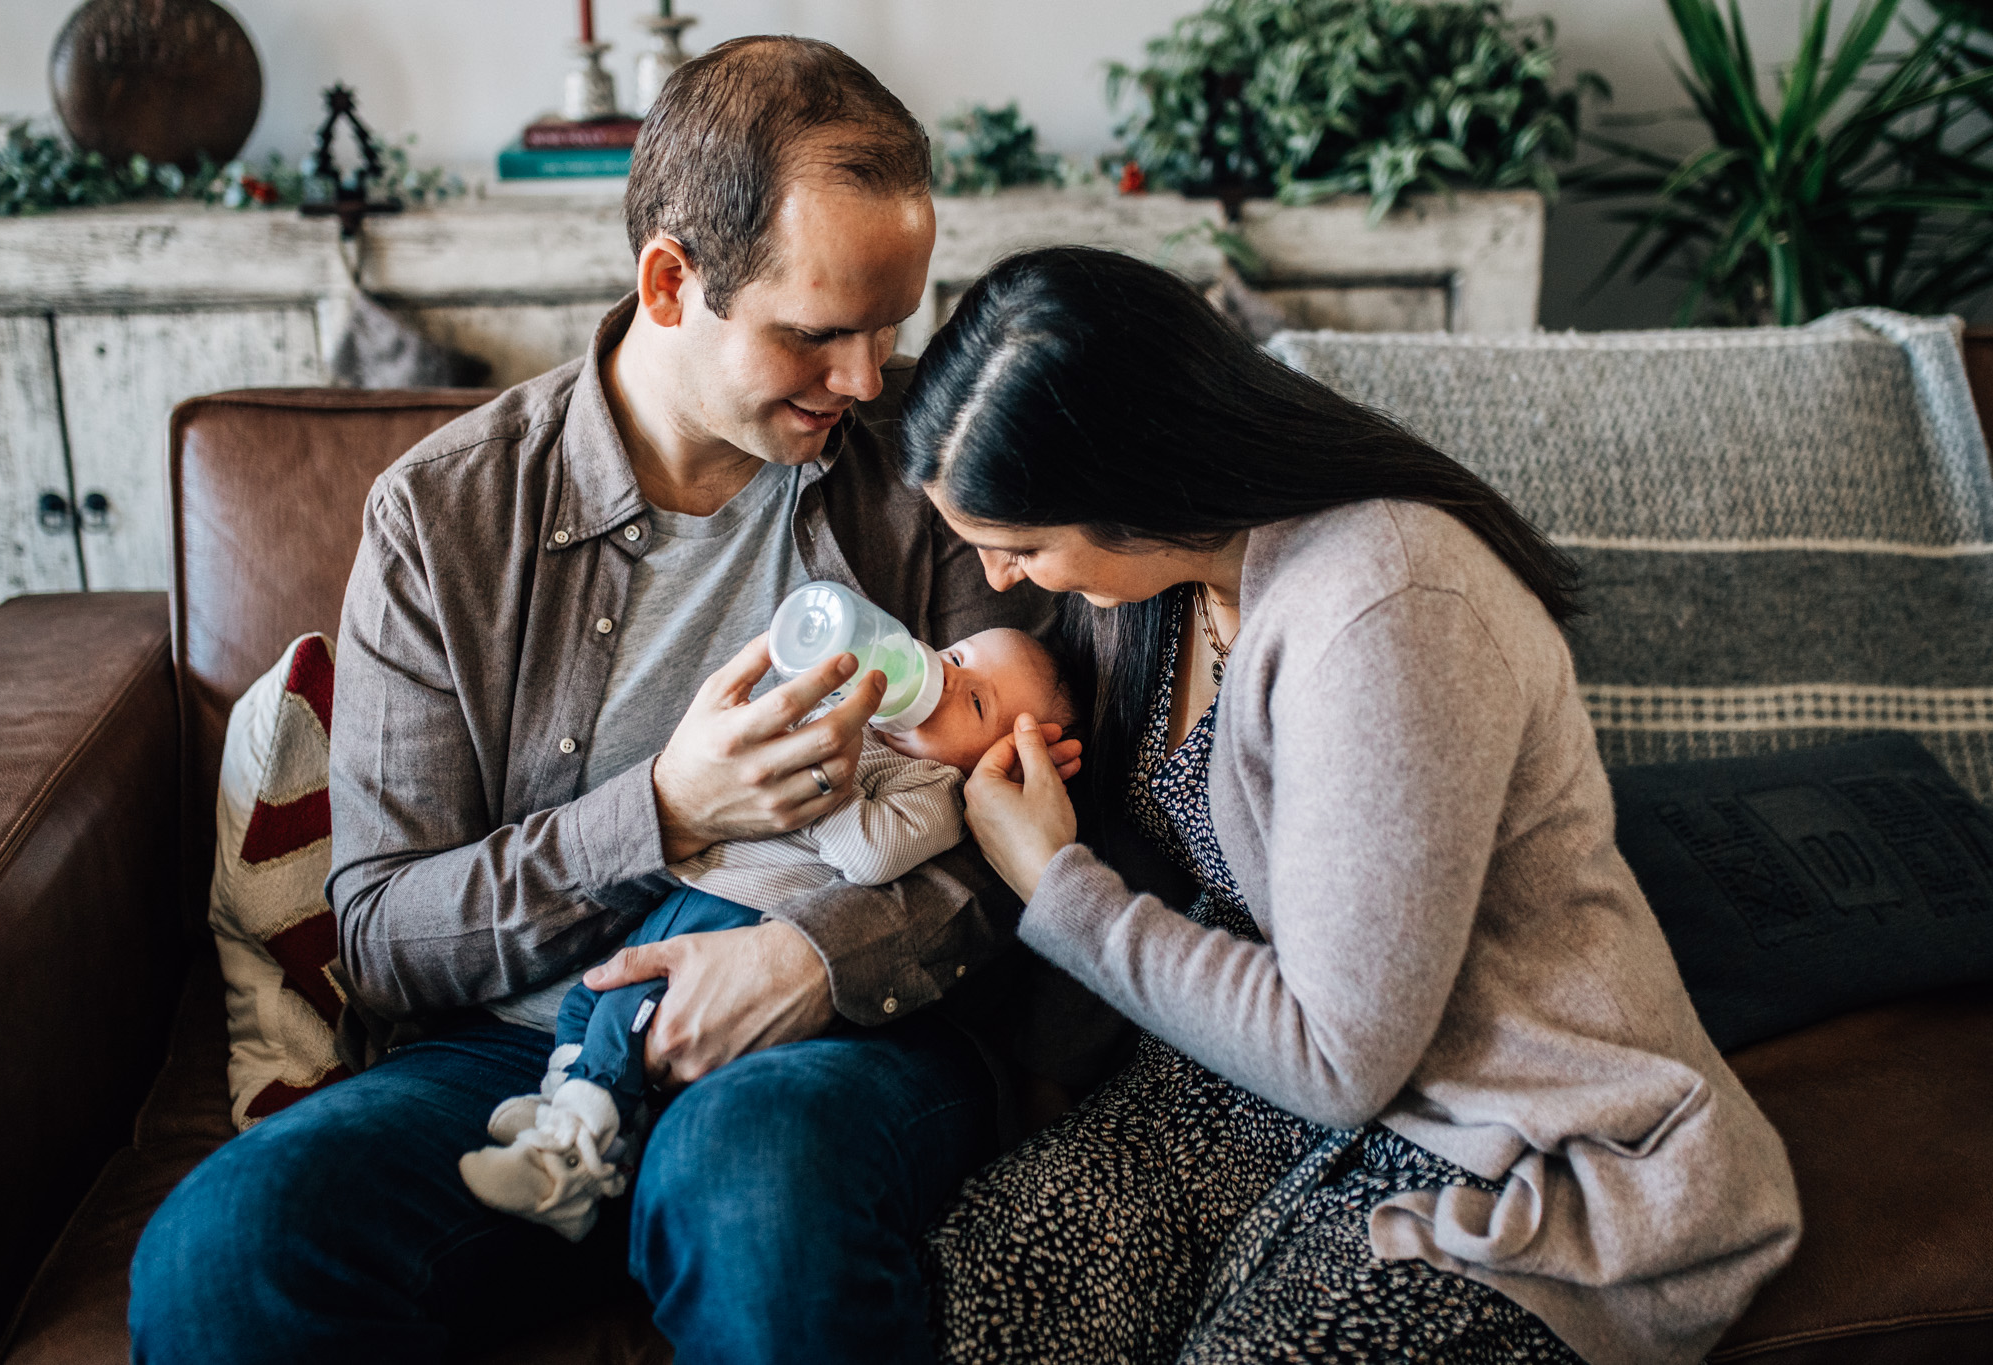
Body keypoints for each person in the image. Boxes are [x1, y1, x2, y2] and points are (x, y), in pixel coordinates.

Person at [128, 38, 1081, 1365]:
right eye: (816, 333)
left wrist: (812, 960)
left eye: (891, 328)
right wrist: (666, 811)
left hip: (830, 1041)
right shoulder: (445, 516)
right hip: (514, 1062)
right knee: (219, 1250)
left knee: (753, 1194)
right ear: (671, 281)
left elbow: (1038, 814)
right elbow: (386, 931)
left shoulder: (927, 469)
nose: (869, 382)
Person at [899, 247, 1803, 1365]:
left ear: (1134, 479)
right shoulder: (1162, 587)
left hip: (1497, 1129)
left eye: (1020, 547)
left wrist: (1054, 883)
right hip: (1242, 1086)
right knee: (999, 1288)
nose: (997, 581)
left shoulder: (1384, 609)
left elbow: (1338, 1061)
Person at [458, 627, 1077, 1241]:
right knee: (589, 999)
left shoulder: (938, 791)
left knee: (629, 1009)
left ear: (995, 760)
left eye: (974, 703)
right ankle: (569, 1113)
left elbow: (871, 856)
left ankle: (568, 1160)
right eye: (955, 657)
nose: (946, 682)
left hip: (743, 916)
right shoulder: (856, 721)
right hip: (698, 892)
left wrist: (826, 771)